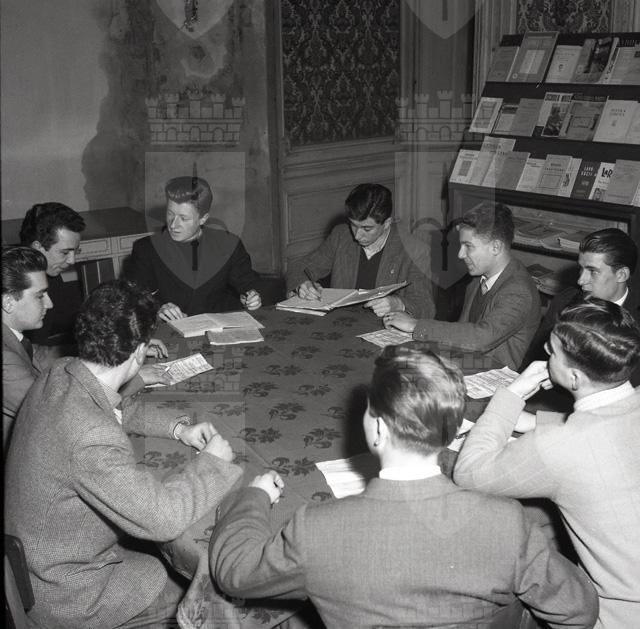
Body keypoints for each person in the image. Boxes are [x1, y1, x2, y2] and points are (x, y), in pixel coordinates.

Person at [210, 344, 598, 629]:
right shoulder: (506, 523)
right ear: (452, 431)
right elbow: (579, 609)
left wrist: (254, 496)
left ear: (377, 430)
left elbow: (233, 571)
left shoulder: (316, 529)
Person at [4, 280, 242, 628]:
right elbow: (164, 519)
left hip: (42, 559)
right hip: (69, 594)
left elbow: (116, 406)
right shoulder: (91, 436)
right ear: (140, 352)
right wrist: (214, 464)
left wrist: (178, 428)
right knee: (206, 593)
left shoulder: (63, 371)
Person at [454, 297, 640, 628]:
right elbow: (609, 425)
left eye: (552, 352)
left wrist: (512, 394)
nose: (544, 352)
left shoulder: (560, 446)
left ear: (575, 378)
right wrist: (535, 422)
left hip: (617, 614)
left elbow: (468, 472)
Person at [384, 202, 540, 370]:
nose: (460, 254)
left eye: (468, 246)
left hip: (493, 377)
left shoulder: (518, 291)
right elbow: (463, 329)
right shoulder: (478, 277)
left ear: (496, 247)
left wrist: (416, 325)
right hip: (467, 362)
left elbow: (481, 338)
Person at [285, 183, 435, 319]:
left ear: (387, 223)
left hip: (385, 330)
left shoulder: (415, 251)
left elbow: (425, 306)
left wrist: (398, 304)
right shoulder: (341, 236)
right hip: (341, 324)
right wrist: (302, 285)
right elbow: (299, 268)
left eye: (367, 229)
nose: (357, 235)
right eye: (353, 225)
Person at [124, 176, 262, 321]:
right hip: (169, 329)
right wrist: (158, 310)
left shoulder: (228, 244)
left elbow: (249, 284)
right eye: (170, 214)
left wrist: (251, 297)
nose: (173, 225)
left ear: (203, 219)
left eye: (183, 218)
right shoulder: (146, 249)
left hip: (220, 327)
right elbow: (132, 299)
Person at [520, 228, 638, 370]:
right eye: (581, 269)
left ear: (621, 275)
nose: (581, 280)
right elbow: (535, 359)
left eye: (592, 271)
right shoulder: (565, 301)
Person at [2, 246, 53, 449]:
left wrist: (111, 350)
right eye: (40, 296)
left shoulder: (13, 338)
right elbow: (54, 413)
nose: (49, 304)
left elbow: (45, 355)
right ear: (8, 302)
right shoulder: (5, 358)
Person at [19, 201, 86, 345]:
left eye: (76, 251)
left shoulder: (52, 276)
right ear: (37, 248)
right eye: (65, 252)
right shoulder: (12, 284)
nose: (72, 261)